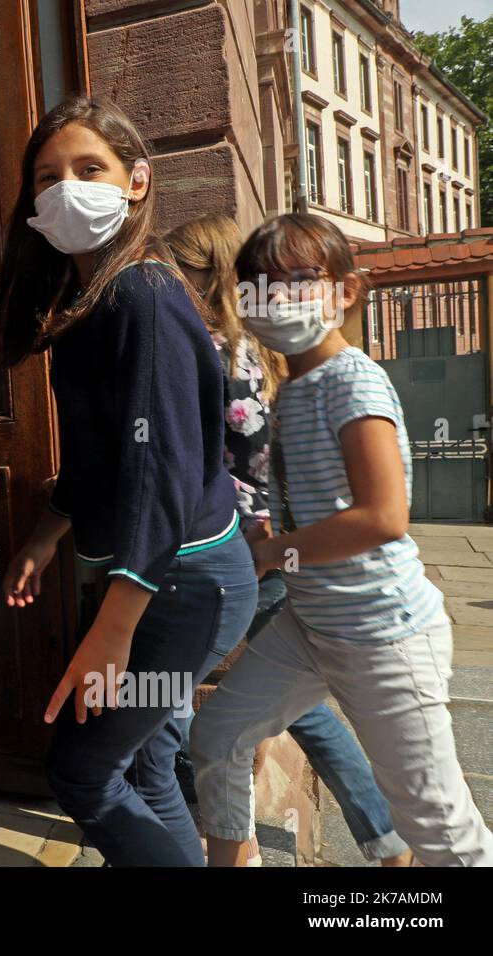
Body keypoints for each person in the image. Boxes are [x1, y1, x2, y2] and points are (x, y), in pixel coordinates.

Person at [0, 96, 257, 867]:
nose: (66, 190)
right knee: (143, 763)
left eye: (89, 169)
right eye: (48, 178)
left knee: (82, 771)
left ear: (136, 181)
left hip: (182, 591)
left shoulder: (141, 294)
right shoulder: (89, 302)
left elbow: (163, 474)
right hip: (158, 586)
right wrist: (45, 537)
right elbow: (95, 460)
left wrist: (113, 630)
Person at [191, 212, 493, 867]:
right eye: (260, 284)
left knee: (439, 827)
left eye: (300, 280)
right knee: (219, 734)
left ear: (345, 292)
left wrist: (275, 551)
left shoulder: (349, 379)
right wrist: (278, 530)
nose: (277, 298)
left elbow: (384, 516)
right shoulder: (296, 386)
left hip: (383, 630)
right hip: (314, 623)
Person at [165, 214, 411, 867]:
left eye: (180, 271)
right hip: (272, 542)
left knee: (180, 694)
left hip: (243, 545)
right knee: (294, 708)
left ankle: (221, 839)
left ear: (207, 271)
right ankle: (381, 843)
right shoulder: (261, 343)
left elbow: (219, 456)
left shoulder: (221, 347)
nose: (171, 284)